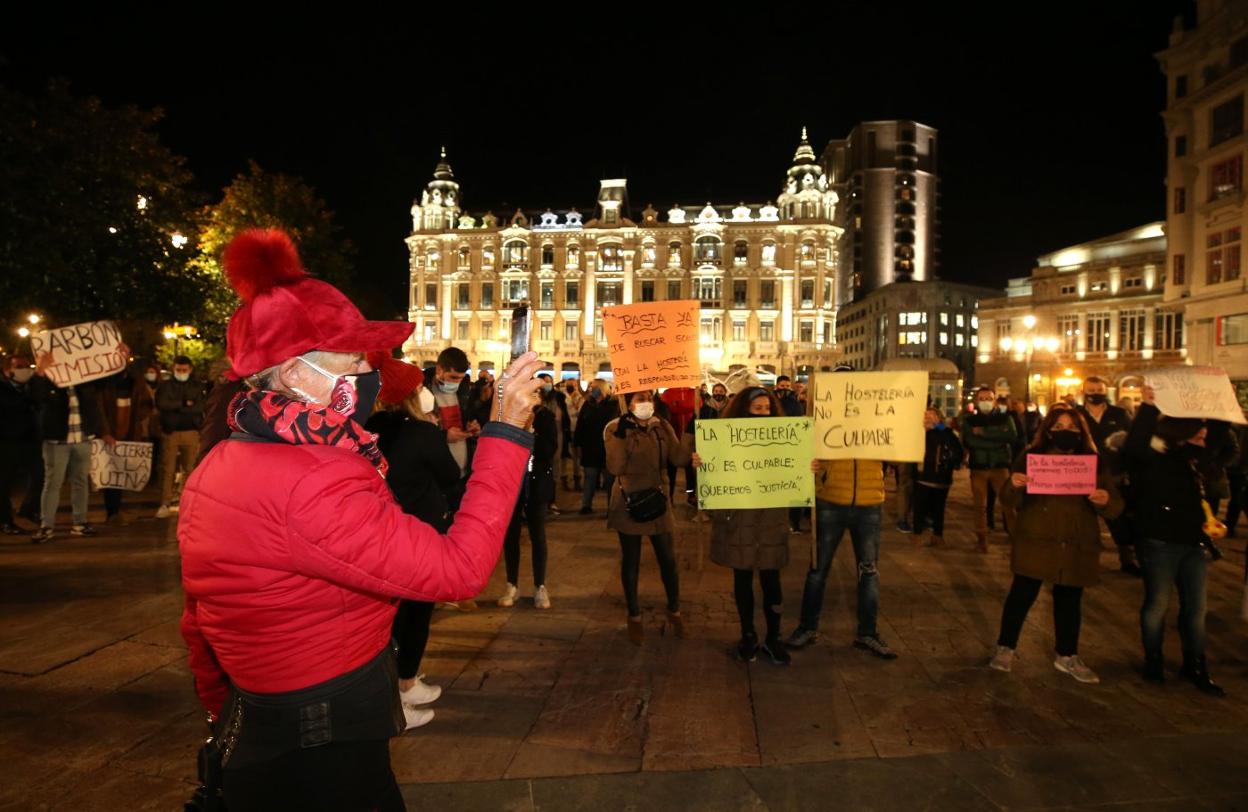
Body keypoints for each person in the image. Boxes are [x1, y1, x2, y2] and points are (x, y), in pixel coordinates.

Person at [179, 229, 545, 810]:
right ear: (296, 373)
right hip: (326, 730)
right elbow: (459, 570)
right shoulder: (313, 476)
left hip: (266, 719)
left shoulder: (224, 457)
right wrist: (506, 431)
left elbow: (200, 617)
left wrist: (227, 705)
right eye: (350, 359)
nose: (365, 373)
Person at [988, 409, 1123, 684]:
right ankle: (1006, 647)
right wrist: (1014, 485)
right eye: (1059, 425)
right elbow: (1009, 500)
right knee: (1021, 595)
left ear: (1081, 432)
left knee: (1070, 600)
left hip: (1075, 541)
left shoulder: (1094, 463)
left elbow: (1115, 506)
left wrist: (1104, 500)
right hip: (1037, 540)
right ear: (1048, 430)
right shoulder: (1031, 458)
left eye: (1072, 427)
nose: (1066, 431)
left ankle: (1067, 654)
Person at [363, 353, 459, 730]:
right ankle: (401, 689)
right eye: (420, 387)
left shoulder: (368, 427)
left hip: (378, 533)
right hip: (417, 534)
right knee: (416, 614)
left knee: (387, 618)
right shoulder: (421, 433)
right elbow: (450, 475)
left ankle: (401, 686)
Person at [693, 387, 815, 665]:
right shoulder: (726, 438)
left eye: (766, 408)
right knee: (743, 578)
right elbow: (713, 474)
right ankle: (748, 634)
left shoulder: (786, 439)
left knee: (772, 580)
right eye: (756, 408)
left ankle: (773, 636)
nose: (762, 413)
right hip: (741, 519)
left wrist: (810, 469)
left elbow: (798, 476)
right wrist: (701, 463)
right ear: (743, 409)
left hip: (772, 519)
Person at [787, 367, 897, 660]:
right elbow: (799, 455)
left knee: (869, 572)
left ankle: (868, 633)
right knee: (817, 570)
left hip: (870, 503)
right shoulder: (819, 421)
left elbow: (897, 451)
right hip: (830, 501)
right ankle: (807, 627)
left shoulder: (879, 418)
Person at [1122, 385, 1225, 696]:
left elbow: (1218, 438)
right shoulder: (1153, 456)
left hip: (1195, 543)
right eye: (1198, 436)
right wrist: (1149, 408)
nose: (1203, 442)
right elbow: (1134, 445)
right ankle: (1153, 660)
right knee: (1158, 605)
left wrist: (1218, 400)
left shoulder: (1197, 459)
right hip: (1160, 542)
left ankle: (1195, 664)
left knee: (1196, 609)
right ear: (1182, 433)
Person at [605, 389, 691, 644]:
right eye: (640, 399)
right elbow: (616, 466)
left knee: (668, 559)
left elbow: (677, 457)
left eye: (649, 398)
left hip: (658, 501)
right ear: (628, 403)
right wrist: (625, 434)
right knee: (631, 560)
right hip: (629, 501)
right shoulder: (614, 428)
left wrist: (690, 437)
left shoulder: (661, 426)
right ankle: (634, 616)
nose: (646, 403)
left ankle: (674, 610)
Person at [28, 356, 113, 542]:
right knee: (52, 483)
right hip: (57, 441)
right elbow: (35, 397)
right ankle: (46, 526)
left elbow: (107, 380)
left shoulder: (85, 382)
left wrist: (119, 358)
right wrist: (40, 371)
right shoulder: (48, 380)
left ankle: (80, 523)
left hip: (82, 439)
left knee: (81, 482)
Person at [497, 384, 557, 610]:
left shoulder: (546, 418)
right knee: (511, 536)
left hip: (536, 484)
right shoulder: (508, 417)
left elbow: (550, 450)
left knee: (537, 534)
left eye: (534, 395)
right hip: (512, 484)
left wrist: (530, 431)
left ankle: (540, 585)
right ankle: (511, 584)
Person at [1076, 376, 1139, 575]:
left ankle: (1128, 559)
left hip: (1114, 474)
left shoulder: (1120, 414)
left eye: (1099, 389)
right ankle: (1082, 560)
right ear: (1083, 392)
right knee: (1082, 521)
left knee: (1119, 519)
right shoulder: (1075, 415)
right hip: (1082, 474)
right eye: (1091, 390)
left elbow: (1132, 444)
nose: (1095, 393)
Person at [98, 364, 156, 525]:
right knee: (111, 473)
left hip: (129, 434)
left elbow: (146, 404)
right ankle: (113, 511)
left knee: (121, 474)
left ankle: (115, 510)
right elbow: (99, 408)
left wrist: (137, 419)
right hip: (109, 435)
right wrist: (104, 431)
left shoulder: (136, 382)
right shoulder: (104, 384)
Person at [422, 347, 479, 513]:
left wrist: (473, 428)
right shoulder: (422, 391)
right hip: (435, 477)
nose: (456, 383)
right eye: (453, 377)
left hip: (462, 475)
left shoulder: (464, 390)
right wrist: (443, 436)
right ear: (440, 369)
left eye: (460, 379)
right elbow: (416, 435)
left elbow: (469, 416)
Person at [965, 386, 1018, 552]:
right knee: (979, 505)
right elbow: (970, 441)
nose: (985, 402)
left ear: (994, 401)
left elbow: (1012, 436)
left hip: (999, 467)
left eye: (988, 398)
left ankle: (1016, 537)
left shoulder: (1005, 418)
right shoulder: (969, 420)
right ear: (976, 401)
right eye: (982, 399)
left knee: (1008, 504)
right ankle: (982, 539)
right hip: (979, 468)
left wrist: (983, 433)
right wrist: (996, 439)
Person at [155, 355, 206, 518]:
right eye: (178, 370)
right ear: (173, 369)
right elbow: (162, 404)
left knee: (190, 469)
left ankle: (187, 503)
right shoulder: (165, 386)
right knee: (167, 469)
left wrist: (176, 407)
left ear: (190, 370)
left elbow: (199, 407)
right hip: (171, 432)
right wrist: (184, 404)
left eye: (184, 370)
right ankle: (165, 503)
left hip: (191, 431)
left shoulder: (197, 386)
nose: (181, 372)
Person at [1, 356, 43, 534]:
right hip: (5, 441)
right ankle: (4, 521)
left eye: (27, 366)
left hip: (28, 440)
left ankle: (28, 509)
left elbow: (39, 400)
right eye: (19, 367)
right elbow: (13, 405)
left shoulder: (30, 386)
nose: (24, 370)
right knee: (4, 483)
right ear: (6, 370)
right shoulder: (3, 389)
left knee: (41, 474)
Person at [914, 407, 963, 547]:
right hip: (923, 477)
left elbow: (957, 449)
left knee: (939, 508)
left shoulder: (946, 432)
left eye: (932, 415)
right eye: (926, 416)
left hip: (942, 478)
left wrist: (938, 427)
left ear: (939, 418)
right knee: (920, 507)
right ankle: (917, 534)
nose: (929, 418)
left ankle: (938, 535)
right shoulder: (920, 433)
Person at [574, 379, 617, 514]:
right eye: (590, 388)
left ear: (603, 388)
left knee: (610, 480)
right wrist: (578, 444)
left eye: (594, 387)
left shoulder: (614, 405)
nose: (591, 390)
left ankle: (612, 507)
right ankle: (586, 505)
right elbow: (580, 425)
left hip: (608, 448)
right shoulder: (588, 404)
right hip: (590, 447)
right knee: (590, 478)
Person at [536, 373, 570, 515]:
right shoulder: (535, 398)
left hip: (557, 436)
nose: (548, 384)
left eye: (550, 381)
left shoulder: (559, 398)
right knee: (541, 470)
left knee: (554, 469)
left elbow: (564, 418)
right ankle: (540, 502)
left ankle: (552, 501)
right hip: (540, 437)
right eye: (545, 382)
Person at [562, 379, 585, 491]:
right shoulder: (562, 397)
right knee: (564, 455)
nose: (571, 386)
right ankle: (564, 479)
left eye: (574, 385)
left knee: (577, 455)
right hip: (566, 429)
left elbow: (580, 411)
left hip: (577, 429)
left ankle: (577, 479)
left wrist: (577, 400)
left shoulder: (580, 397)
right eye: (569, 384)